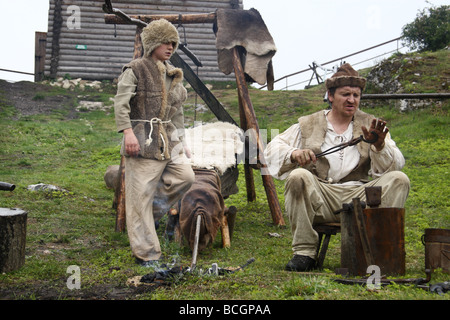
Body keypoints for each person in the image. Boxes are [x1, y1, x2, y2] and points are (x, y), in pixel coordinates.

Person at [264, 63, 410, 272]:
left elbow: (396, 164)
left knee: (399, 179)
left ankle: (379, 250)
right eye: (345, 94)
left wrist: (379, 144)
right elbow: (272, 149)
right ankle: (304, 253)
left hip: (361, 197)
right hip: (322, 196)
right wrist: (294, 153)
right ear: (330, 96)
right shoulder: (309, 123)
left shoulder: (370, 124)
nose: (352, 100)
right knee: (298, 176)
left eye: (356, 95)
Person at [114, 19, 195, 267]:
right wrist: (127, 132)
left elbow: (177, 112)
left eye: (173, 42)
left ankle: (148, 213)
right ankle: (146, 254)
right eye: (165, 42)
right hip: (141, 138)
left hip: (167, 139)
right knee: (139, 197)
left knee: (186, 177)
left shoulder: (173, 74)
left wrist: (181, 141)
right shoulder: (136, 68)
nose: (170, 47)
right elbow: (121, 103)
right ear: (152, 43)